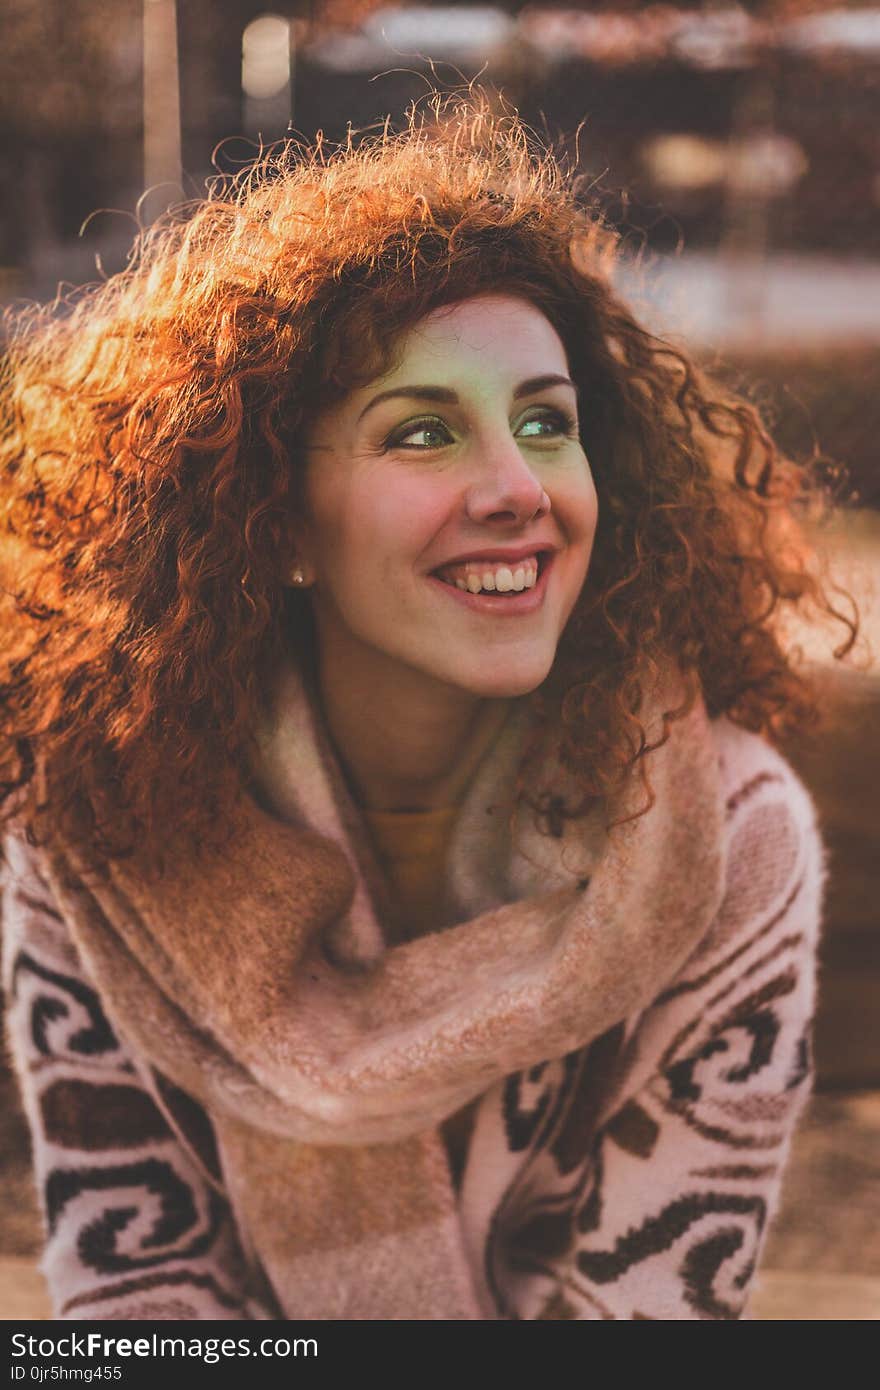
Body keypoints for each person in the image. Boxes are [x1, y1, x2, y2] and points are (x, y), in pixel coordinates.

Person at [0, 97, 855, 1320]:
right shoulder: (94, 822)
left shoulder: (717, 839)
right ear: (278, 520)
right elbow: (135, 1300)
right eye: (422, 432)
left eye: (545, 424)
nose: (517, 488)